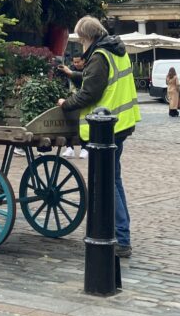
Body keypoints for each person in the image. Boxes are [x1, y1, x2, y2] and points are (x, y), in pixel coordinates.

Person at [57, 16, 141, 258]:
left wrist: (65, 103)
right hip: (121, 124)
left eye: (81, 40)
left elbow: (90, 94)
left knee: (109, 182)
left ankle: (122, 239)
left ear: (87, 37)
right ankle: (121, 234)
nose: (81, 45)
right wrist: (72, 74)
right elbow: (97, 79)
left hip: (106, 130)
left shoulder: (99, 55)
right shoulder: (115, 51)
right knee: (114, 180)